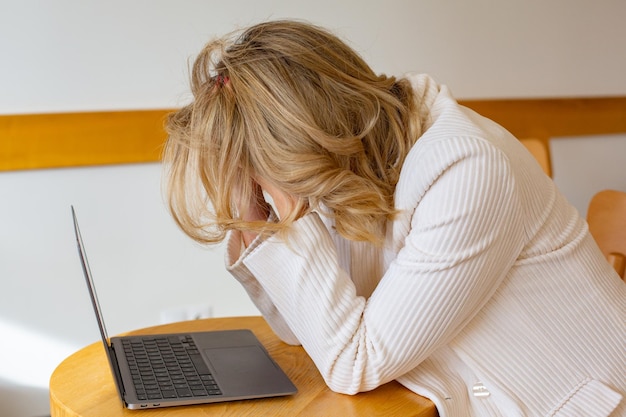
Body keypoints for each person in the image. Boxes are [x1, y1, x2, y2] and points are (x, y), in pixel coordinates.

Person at [163, 20, 625, 417]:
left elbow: (353, 362)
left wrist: (288, 208)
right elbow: (302, 332)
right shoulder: (352, 162)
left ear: (309, 137)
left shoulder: (465, 169)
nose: (265, 182)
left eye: (261, 168)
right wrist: (252, 214)